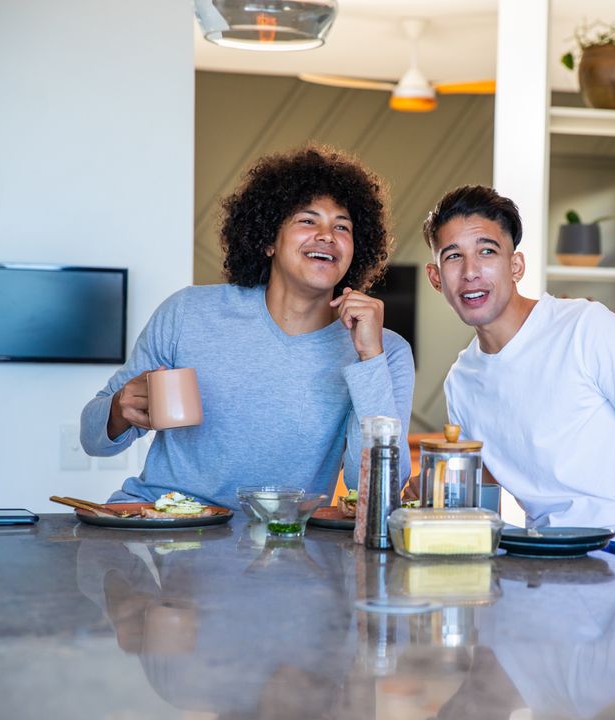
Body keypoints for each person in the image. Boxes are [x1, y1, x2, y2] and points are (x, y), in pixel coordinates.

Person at [81, 145, 414, 508]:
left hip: (280, 538)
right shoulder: (187, 312)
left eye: (342, 226)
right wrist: (118, 410)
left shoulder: (385, 351)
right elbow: (92, 440)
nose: (327, 235)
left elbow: (380, 487)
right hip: (164, 521)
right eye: (308, 220)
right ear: (269, 240)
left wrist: (369, 359)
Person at [422, 185, 615, 570]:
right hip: (539, 557)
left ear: (515, 266)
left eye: (487, 251)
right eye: (454, 257)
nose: (470, 272)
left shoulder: (585, 327)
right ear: (436, 278)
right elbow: (483, 485)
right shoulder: (461, 381)